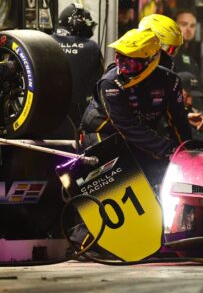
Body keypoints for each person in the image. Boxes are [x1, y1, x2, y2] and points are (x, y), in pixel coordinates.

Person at [79, 29, 192, 185]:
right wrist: (166, 148)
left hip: (142, 134)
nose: (123, 69)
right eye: (120, 60)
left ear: (151, 61)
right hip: (103, 132)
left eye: (130, 64)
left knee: (162, 171)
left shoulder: (170, 81)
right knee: (115, 171)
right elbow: (127, 125)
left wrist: (187, 150)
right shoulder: (110, 83)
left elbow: (179, 121)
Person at [50, 3, 104, 137]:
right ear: (79, 24)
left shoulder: (45, 41)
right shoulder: (92, 48)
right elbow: (99, 83)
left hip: (46, 113)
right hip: (79, 116)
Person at [177, 71, 203, 140]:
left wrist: (202, 128)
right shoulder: (162, 111)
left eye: (193, 96)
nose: (190, 102)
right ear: (177, 90)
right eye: (187, 96)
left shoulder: (195, 112)